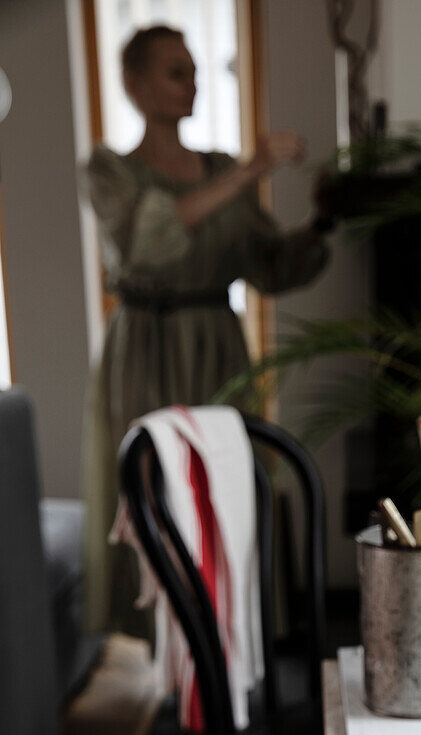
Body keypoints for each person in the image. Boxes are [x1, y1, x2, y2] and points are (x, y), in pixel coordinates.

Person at [81, 24, 333, 637]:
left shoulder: (222, 170)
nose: (190, 83)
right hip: (144, 346)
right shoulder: (110, 170)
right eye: (175, 72)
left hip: (216, 348)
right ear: (134, 86)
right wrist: (251, 171)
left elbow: (269, 264)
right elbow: (148, 241)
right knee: (152, 488)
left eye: (194, 71)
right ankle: (157, 644)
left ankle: (233, 639)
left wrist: (325, 221)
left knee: (227, 485)